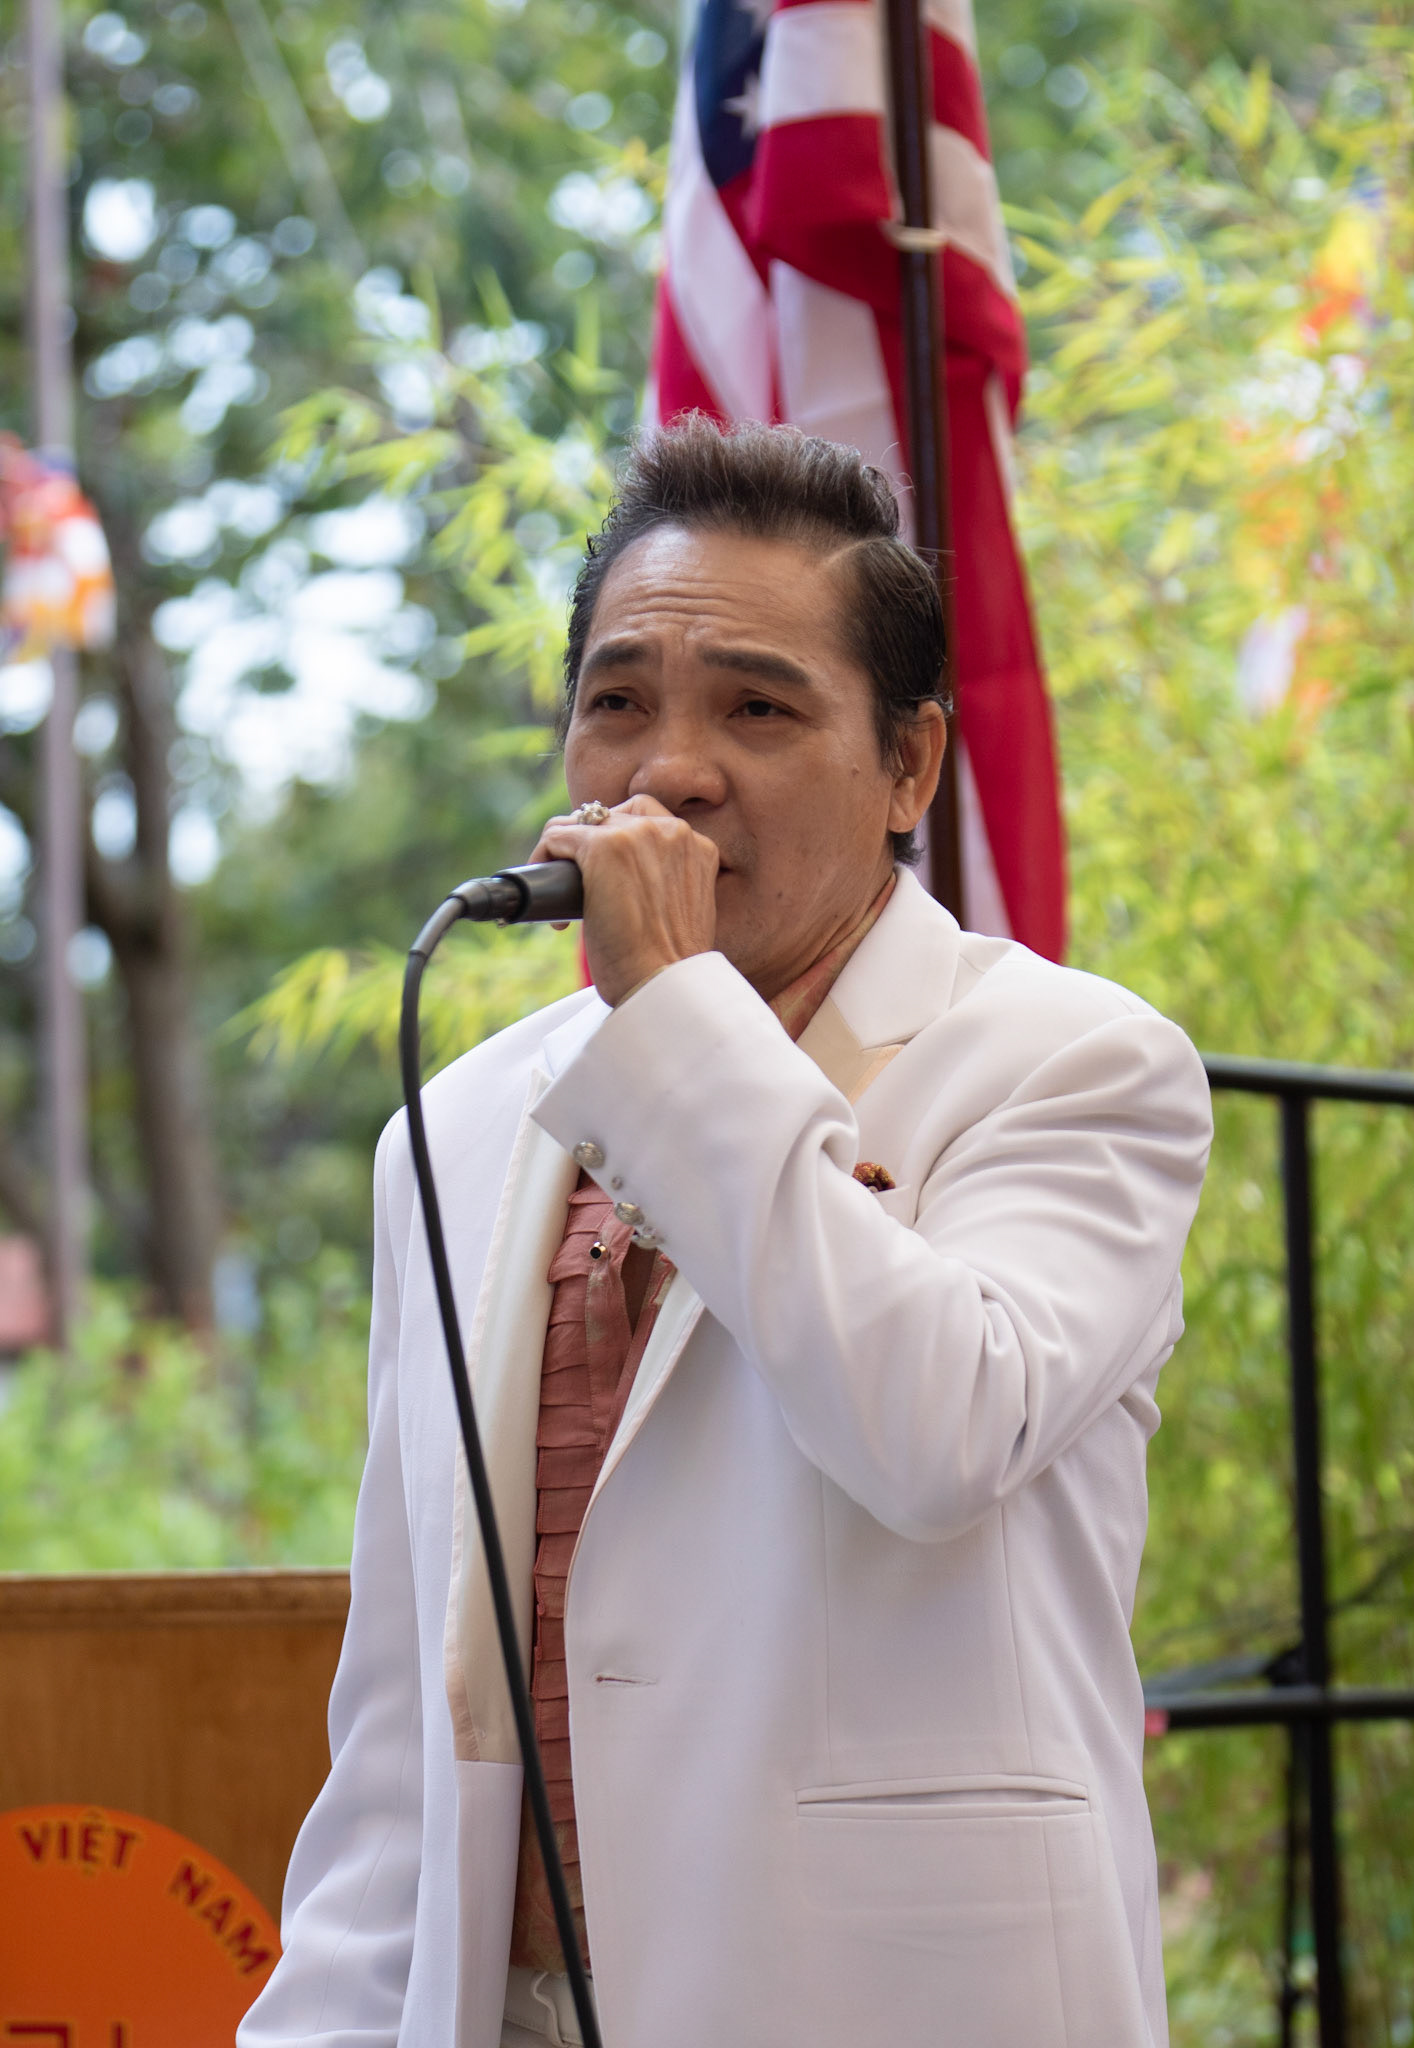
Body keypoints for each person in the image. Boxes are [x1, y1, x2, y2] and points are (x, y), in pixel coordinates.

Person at [239, 418, 1212, 2048]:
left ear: (910, 768)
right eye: (617, 702)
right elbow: (407, 1715)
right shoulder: (456, 1130)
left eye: (758, 708)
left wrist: (678, 1012)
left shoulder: (1077, 1065)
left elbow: (938, 1428)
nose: (668, 770)